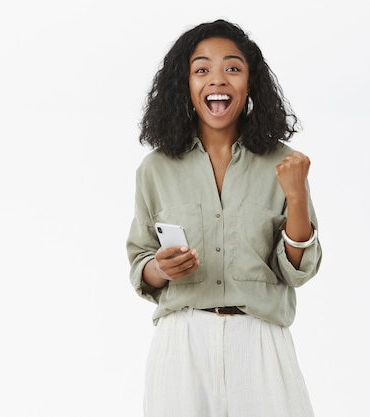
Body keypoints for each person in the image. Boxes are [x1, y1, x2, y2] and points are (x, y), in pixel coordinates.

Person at [126, 19, 322, 417]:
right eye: (202, 70)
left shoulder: (283, 163)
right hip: (182, 344)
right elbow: (140, 262)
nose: (217, 79)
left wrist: (297, 198)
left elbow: (298, 271)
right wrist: (160, 269)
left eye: (232, 68)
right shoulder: (156, 169)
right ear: (186, 85)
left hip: (261, 341)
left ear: (250, 84)